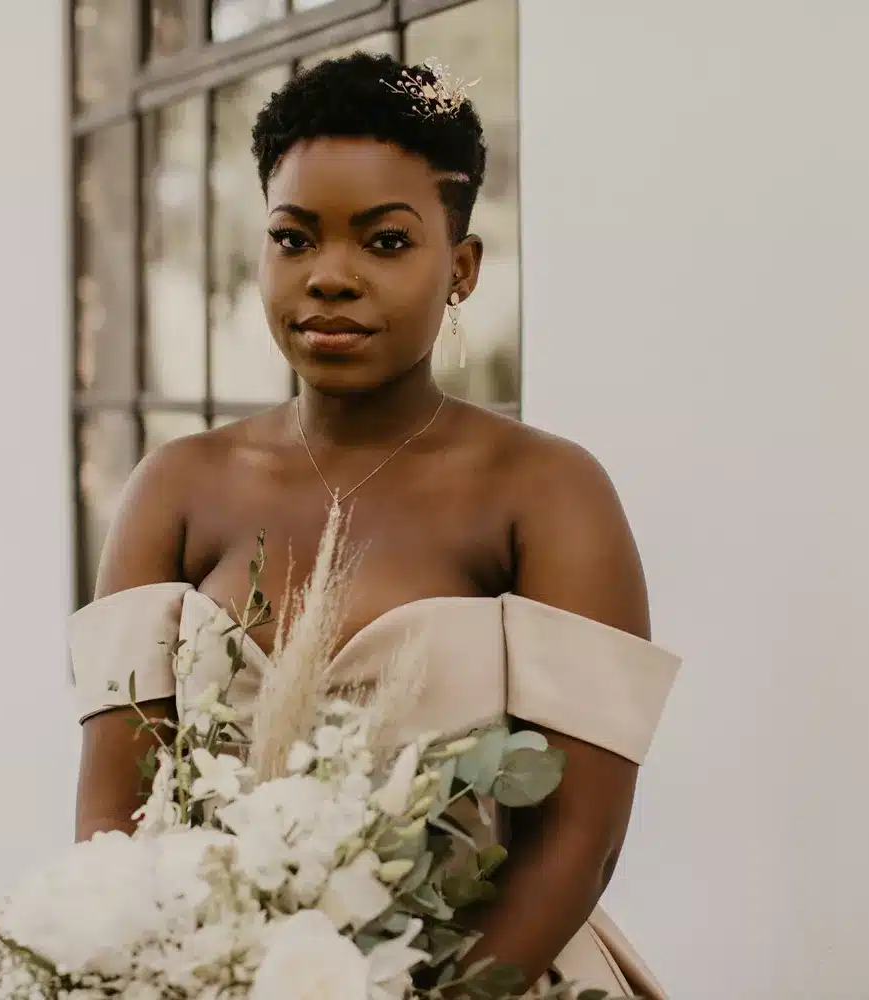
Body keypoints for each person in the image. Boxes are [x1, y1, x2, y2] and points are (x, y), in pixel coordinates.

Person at [69, 53, 679, 998]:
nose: (331, 278)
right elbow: (113, 811)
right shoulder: (175, 489)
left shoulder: (548, 493)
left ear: (461, 268)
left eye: (386, 243)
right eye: (295, 238)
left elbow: (579, 840)